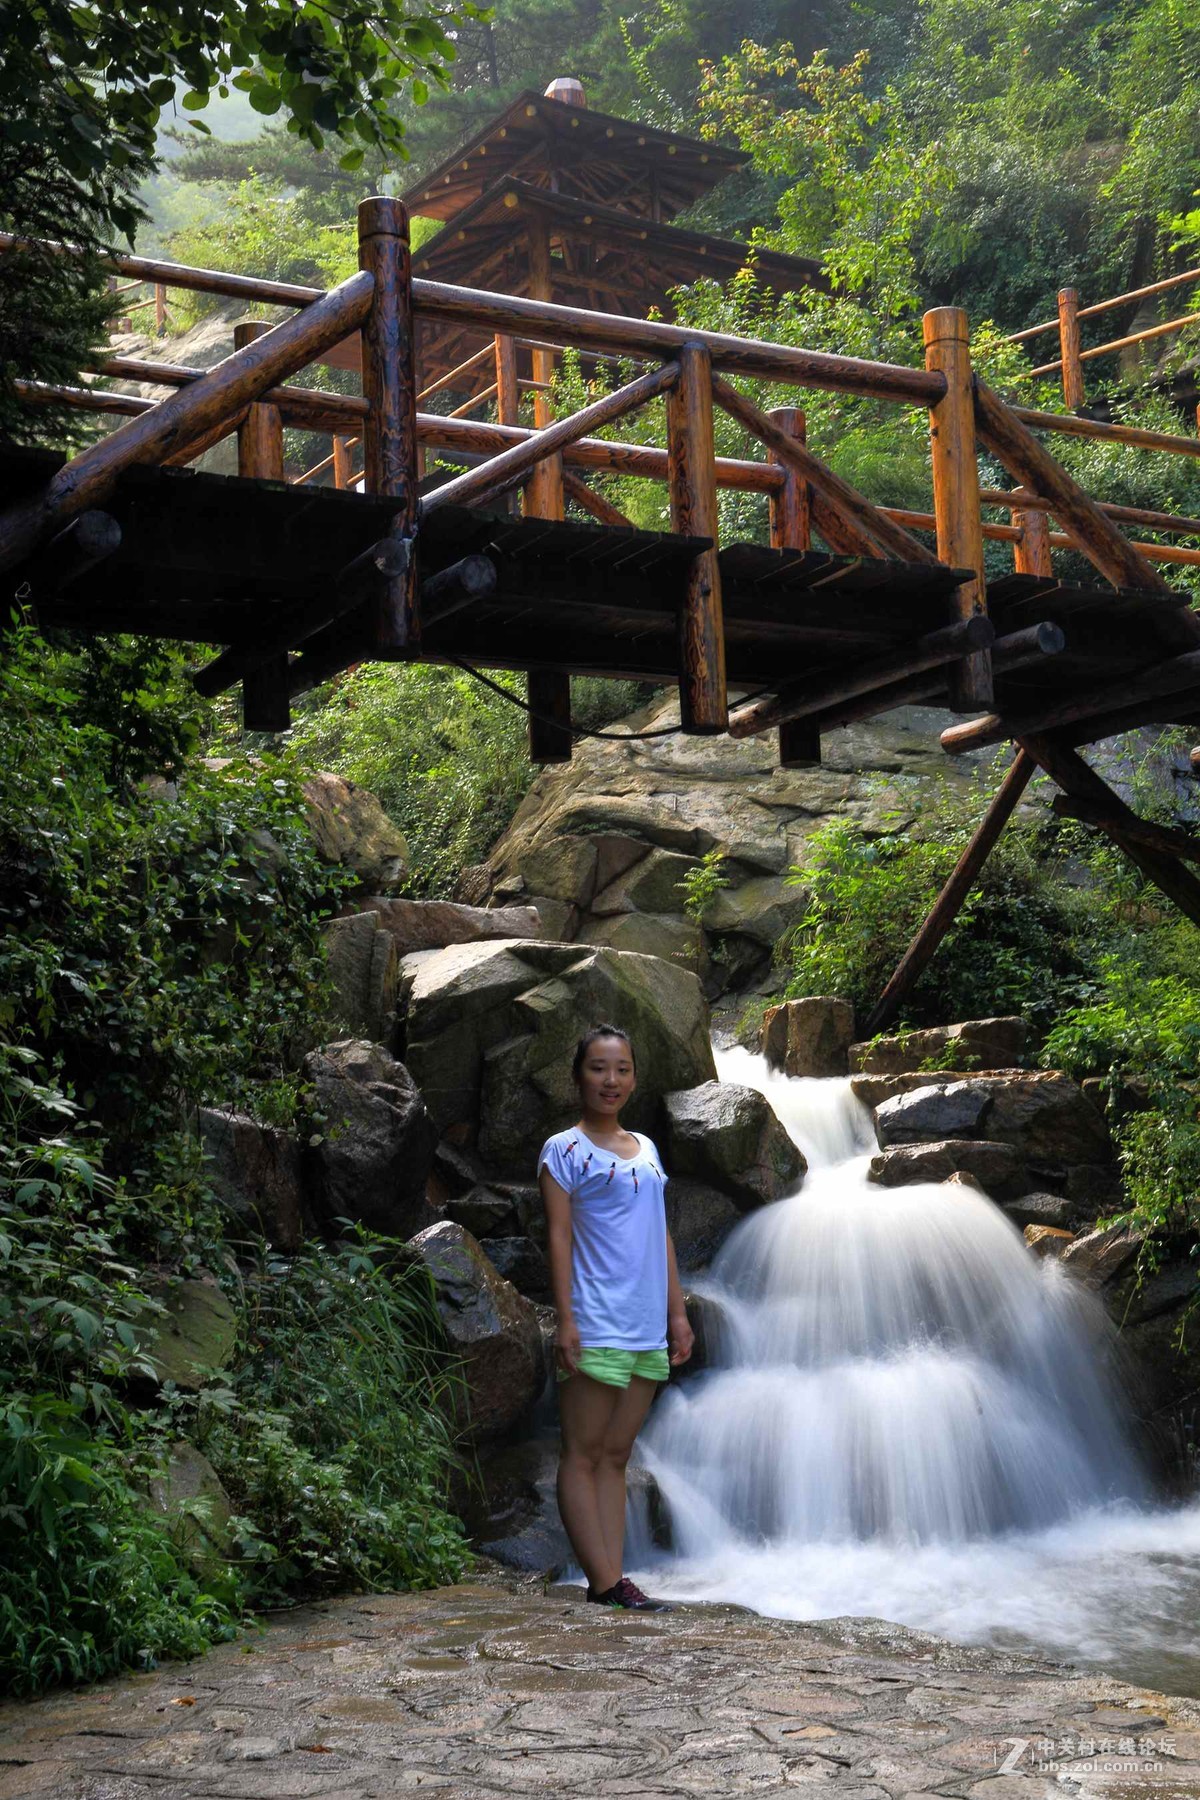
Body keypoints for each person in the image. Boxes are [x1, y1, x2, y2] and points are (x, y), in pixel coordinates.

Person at [537, 1022, 694, 1612]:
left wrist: (677, 1315)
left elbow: (661, 1236)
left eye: (622, 1068)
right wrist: (566, 1320)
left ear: (633, 1076)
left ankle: (613, 1576)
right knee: (582, 1451)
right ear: (579, 1076)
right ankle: (606, 1583)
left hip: (646, 1322)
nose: (611, 1079)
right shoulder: (564, 1150)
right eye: (599, 1068)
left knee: (617, 1456)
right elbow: (557, 1237)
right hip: (596, 1317)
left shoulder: (647, 1148)